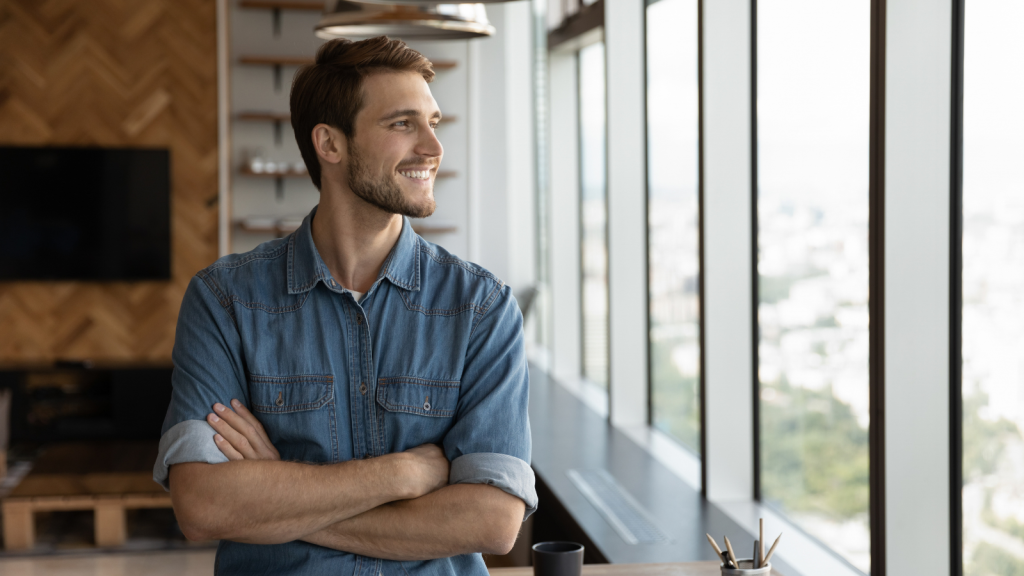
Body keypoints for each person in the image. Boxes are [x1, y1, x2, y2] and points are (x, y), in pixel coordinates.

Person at [153, 36, 535, 575]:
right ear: (330, 144)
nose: (432, 146)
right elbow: (203, 505)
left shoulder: (481, 308)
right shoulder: (224, 299)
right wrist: (400, 477)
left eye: (433, 122)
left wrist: (278, 496)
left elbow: (493, 521)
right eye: (402, 124)